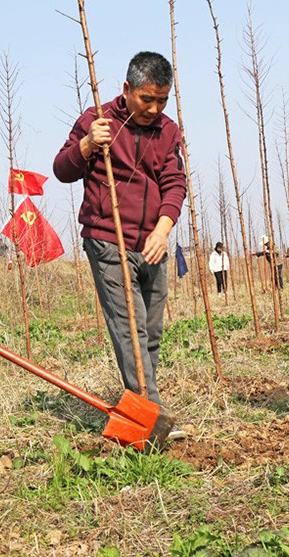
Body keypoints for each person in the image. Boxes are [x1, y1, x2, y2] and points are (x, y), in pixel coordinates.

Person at [53, 51, 187, 409]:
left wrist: (162, 230)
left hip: (152, 244)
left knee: (152, 332)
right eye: (147, 99)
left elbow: (175, 183)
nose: (155, 108)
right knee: (131, 329)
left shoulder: (168, 130)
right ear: (127, 89)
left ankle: (139, 400)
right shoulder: (97, 120)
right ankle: (151, 413)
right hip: (107, 240)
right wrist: (87, 145)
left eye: (162, 100)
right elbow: (62, 169)